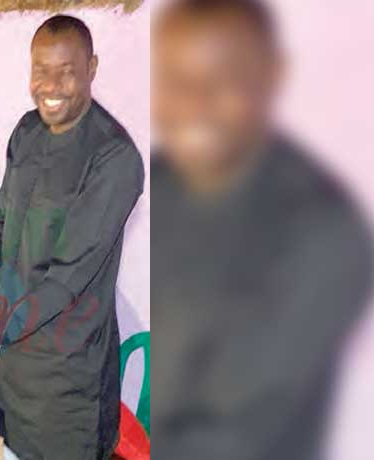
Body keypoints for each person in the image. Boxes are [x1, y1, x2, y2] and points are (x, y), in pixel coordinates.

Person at [0, 15, 144, 460]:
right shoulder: (27, 133)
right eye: (41, 70)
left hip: (64, 389)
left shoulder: (113, 158)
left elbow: (63, 282)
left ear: (92, 68)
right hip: (7, 369)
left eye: (67, 71)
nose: (51, 85)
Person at [152, 1, 372, 459]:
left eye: (225, 78)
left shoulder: (321, 228)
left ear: (272, 75)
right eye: (177, 81)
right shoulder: (164, 182)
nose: (195, 104)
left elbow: (229, 429)